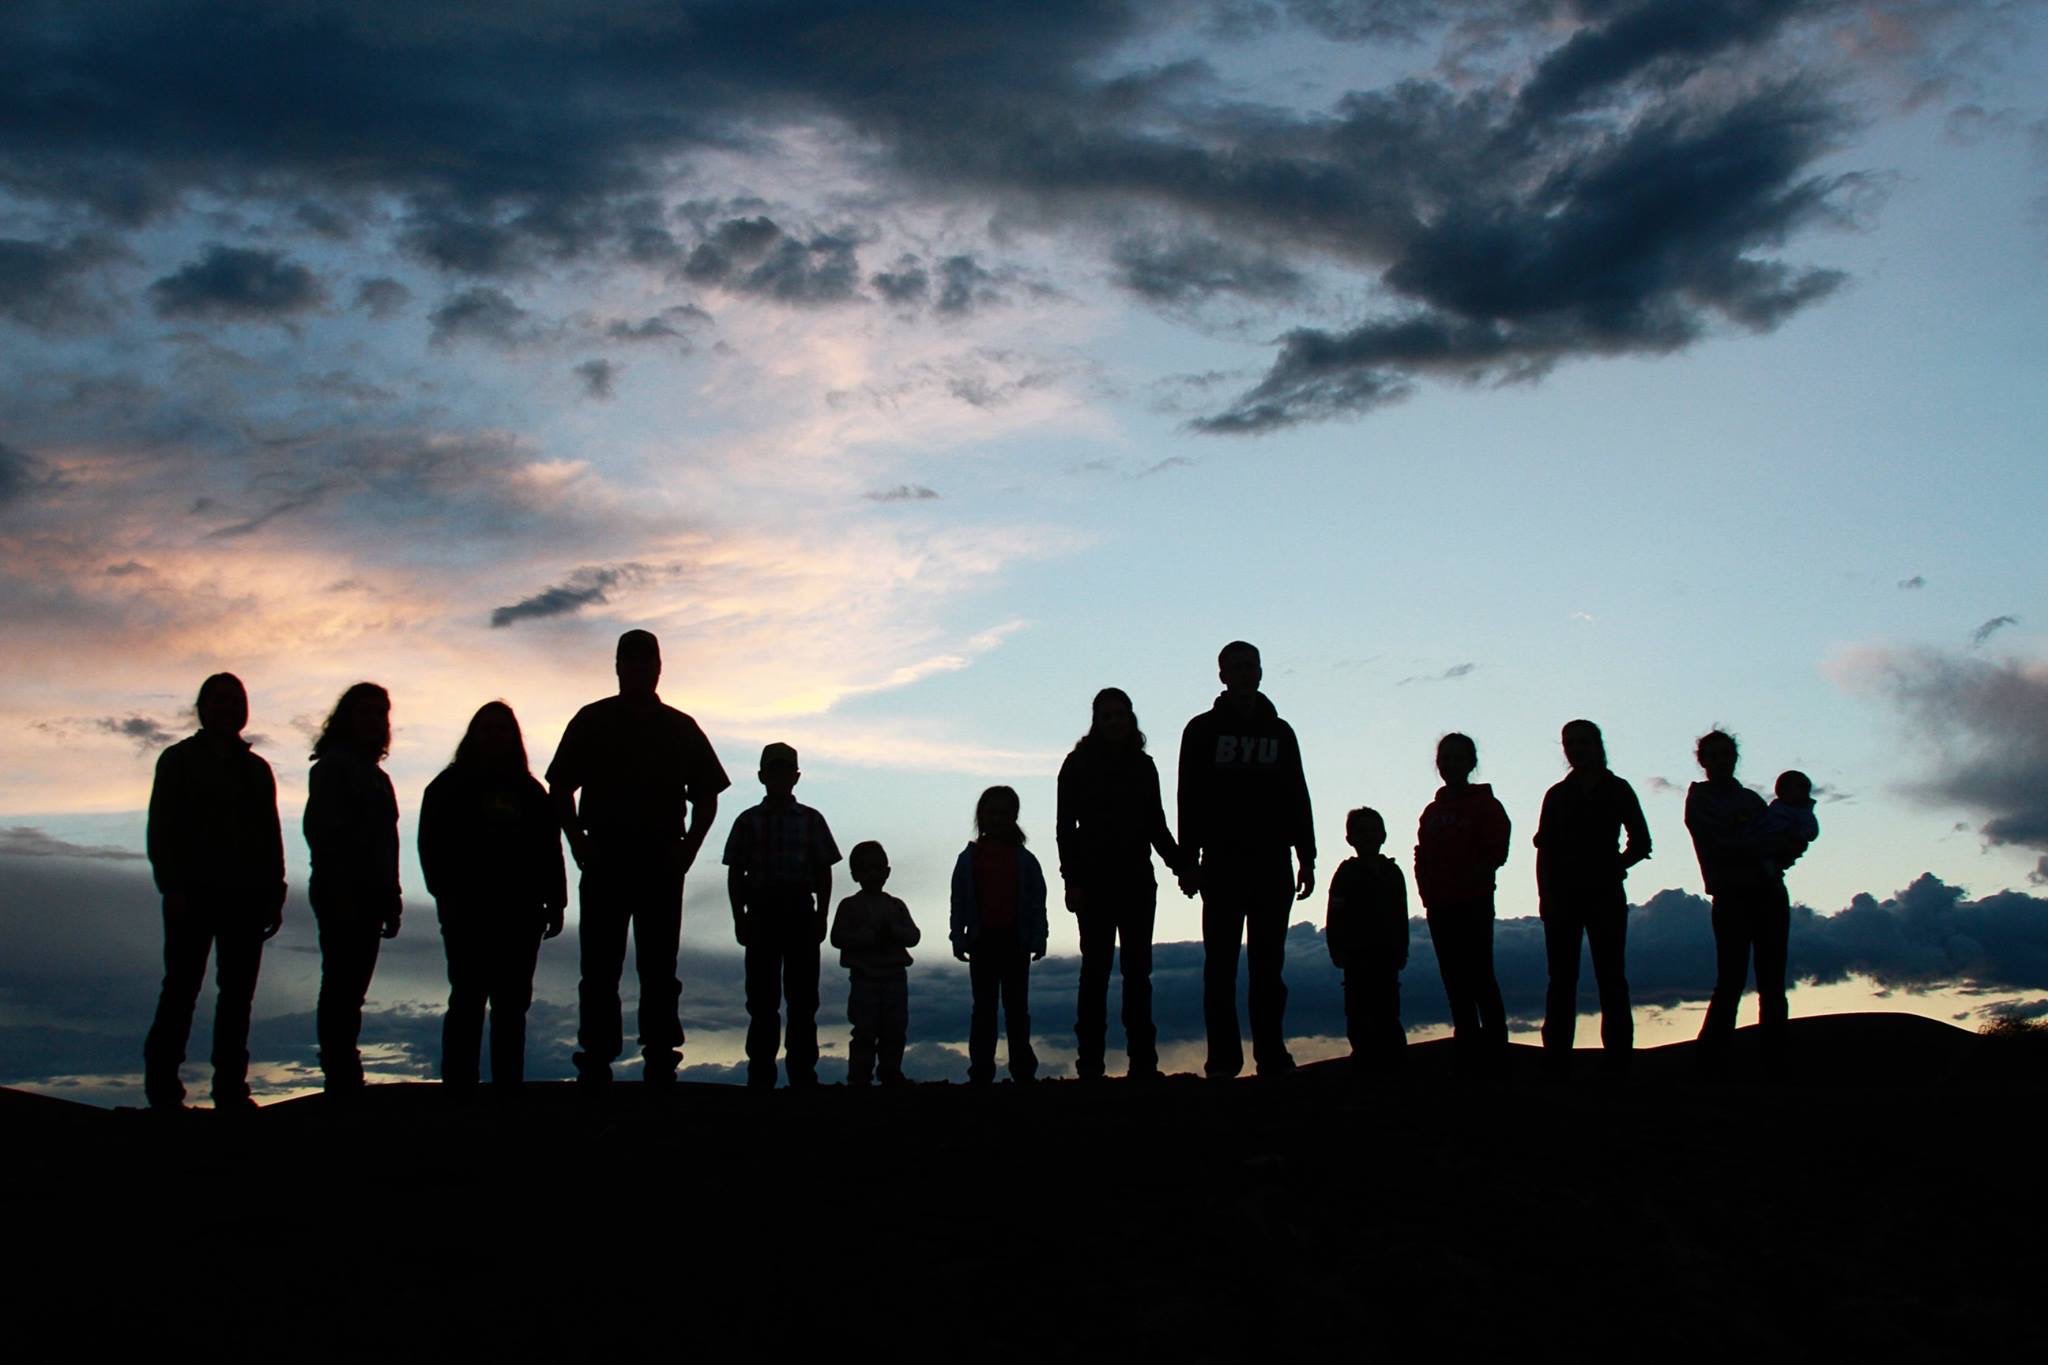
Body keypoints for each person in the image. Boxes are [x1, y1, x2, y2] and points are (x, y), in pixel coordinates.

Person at [547, 630, 730, 1086]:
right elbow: (560, 787)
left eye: (646, 659)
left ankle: (660, 1052)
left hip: (660, 859)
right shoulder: (592, 720)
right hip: (606, 856)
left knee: (659, 964)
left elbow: (707, 796)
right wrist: (577, 841)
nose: (638, 666)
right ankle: (596, 1054)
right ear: (617, 665)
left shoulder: (679, 726)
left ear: (658, 666)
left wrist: (688, 850)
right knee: (600, 965)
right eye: (629, 659)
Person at [141, 673, 287, 1111]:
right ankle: (164, 1091)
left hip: (245, 898)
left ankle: (231, 1088)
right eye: (219, 701)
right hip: (193, 895)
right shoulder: (178, 760)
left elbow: (270, 836)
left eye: (235, 701)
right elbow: (161, 829)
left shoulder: (257, 770)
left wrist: (275, 891)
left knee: (238, 996)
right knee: (181, 990)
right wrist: (173, 886)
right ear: (203, 708)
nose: (228, 709)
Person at [1177, 641, 1315, 1080]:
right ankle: (1224, 1059)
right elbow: (1189, 797)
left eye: (1248, 666)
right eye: (1234, 667)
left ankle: (1271, 1053)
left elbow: (1297, 793)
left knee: (1268, 967)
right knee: (1219, 967)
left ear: (1259, 672)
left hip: (1272, 862)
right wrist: (1188, 860)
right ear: (1222, 675)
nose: (1242, 673)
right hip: (1221, 862)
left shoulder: (1281, 733)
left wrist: (1305, 855)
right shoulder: (1200, 731)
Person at [418, 701, 566, 1089]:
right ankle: (459, 1085)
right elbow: (429, 845)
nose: (494, 736)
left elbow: (550, 847)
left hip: (521, 913)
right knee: (466, 998)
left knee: (512, 1006)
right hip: (466, 911)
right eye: (487, 728)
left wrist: (557, 899)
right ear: (473, 735)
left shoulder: (531, 791)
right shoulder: (446, 787)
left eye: (502, 729)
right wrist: (444, 893)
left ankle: (507, 1087)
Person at [1055, 687, 1181, 1081]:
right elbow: (1064, 829)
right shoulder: (1076, 765)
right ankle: (1089, 1063)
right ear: (1096, 720)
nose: (1113, 721)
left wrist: (1182, 867)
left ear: (1130, 719)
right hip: (1093, 883)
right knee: (1094, 972)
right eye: (1106, 715)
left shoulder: (1144, 767)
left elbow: (1156, 825)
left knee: (1137, 973)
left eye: (1120, 714)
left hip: (1137, 881)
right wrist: (1071, 879)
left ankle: (1143, 1061)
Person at [1533, 719, 1651, 1077]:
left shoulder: (1617, 789)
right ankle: (1557, 1058)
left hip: (1604, 895)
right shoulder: (1557, 794)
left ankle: (1618, 1058)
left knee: (1611, 976)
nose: (1575, 748)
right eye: (1570, 742)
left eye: (1582, 742)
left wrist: (1613, 867)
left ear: (1596, 745)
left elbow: (1641, 842)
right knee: (1562, 979)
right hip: (1564, 897)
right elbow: (1545, 849)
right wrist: (1545, 895)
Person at [304, 682, 402, 1094]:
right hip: (341, 891)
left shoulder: (378, 778)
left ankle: (344, 1064)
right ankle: (340, 1069)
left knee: (351, 987)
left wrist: (392, 896)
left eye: (380, 713)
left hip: (372, 896)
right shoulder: (332, 768)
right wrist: (345, 888)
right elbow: (323, 833)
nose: (374, 720)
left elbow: (388, 841)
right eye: (364, 712)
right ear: (347, 718)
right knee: (341, 984)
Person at [724, 742, 840, 1089]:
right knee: (762, 1000)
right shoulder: (747, 820)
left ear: (796, 776)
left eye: (785, 770)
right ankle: (761, 1073)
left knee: (803, 1000)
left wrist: (822, 914)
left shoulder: (811, 819)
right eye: (773, 770)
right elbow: (735, 873)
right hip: (761, 912)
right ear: (762, 776)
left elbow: (823, 870)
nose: (779, 777)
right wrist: (738, 917)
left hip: (800, 912)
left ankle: (802, 1074)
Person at [1413, 732, 1510, 1071]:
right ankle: (1467, 1041)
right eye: (1446, 758)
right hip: (1441, 906)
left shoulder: (1486, 805)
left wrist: (1472, 877)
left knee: (1481, 975)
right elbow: (1422, 855)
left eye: (1457, 758)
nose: (1450, 764)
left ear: (1470, 763)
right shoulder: (1432, 811)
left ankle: (1496, 1047)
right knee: (1453, 978)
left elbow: (1498, 850)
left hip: (1474, 902)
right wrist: (1428, 894)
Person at [1686, 729, 1781, 1064]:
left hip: (1768, 892)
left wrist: (1772, 847)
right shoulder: (1699, 799)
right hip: (1731, 896)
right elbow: (1720, 844)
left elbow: (1776, 840)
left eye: (1724, 754)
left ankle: (1773, 1056)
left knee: (1772, 981)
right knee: (1731, 979)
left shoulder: (1752, 800)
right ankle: (1711, 1058)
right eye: (1712, 756)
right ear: (1702, 761)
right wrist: (1760, 846)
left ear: (1734, 757)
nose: (1719, 761)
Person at [950, 785, 1046, 1084]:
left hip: (1015, 942)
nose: (997, 819)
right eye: (992, 813)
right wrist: (957, 935)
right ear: (981, 816)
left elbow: (1036, 901)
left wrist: (1039, 935)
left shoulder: (1025, 860)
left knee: (1017, 1010)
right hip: (983, 941)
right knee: (984, 1010)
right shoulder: (968, 859)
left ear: (1013, 817)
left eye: (1004, 813)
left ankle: (1022, 1070)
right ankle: (981, 1070)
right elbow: (958, 901)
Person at [1324, 806, 1408, 1073]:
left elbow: (1401, 913)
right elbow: (1334, 914)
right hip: (1356, 955)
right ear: (1350, 838)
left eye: (1373, 831)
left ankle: (1394, 1063)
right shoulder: (1345, 874)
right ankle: (1365, 1060)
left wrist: (1401, 947)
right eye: (1361, 831)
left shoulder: (1393, 873)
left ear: (1383, 835)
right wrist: (1337, 948)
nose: (1368, 836)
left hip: (1387, 953)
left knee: (1388, 1011)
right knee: (1359, 1011)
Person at [830, 841, 921, 1087]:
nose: (873, 874)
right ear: (855, 875)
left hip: (894, 977)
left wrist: (895, 931)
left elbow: (914, 936)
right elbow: (837, 937)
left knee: (894, 1029)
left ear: (887, 871)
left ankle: (891, 1072)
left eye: (878, 868)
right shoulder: (849, 906)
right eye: (867, 869)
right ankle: (860, 1075)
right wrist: (865, 938)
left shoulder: (895, 906)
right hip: (864, 978)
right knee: (865, 1030)